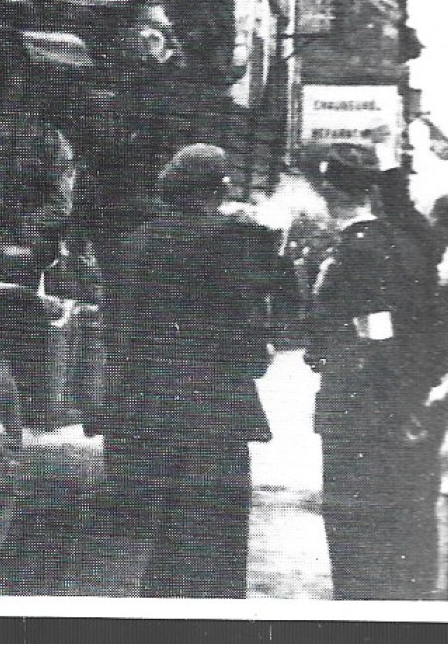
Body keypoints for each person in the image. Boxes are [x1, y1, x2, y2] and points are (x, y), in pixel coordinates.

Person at [102, 144, 280, 598]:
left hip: (148, 409)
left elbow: (117, 328)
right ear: (219, 188)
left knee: (161, 536)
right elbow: (251, 332)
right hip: (215, 412)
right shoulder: (235, 239)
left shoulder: (135, 241)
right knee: (214, 532)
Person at [302, 142, 448, 600]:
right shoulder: (407, 239)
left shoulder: (361, 249)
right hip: (399, 403)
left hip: (361, 409)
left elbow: (376, 332)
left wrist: (329, 350)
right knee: (404, 519)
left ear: (328, 188)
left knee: (355, 527)